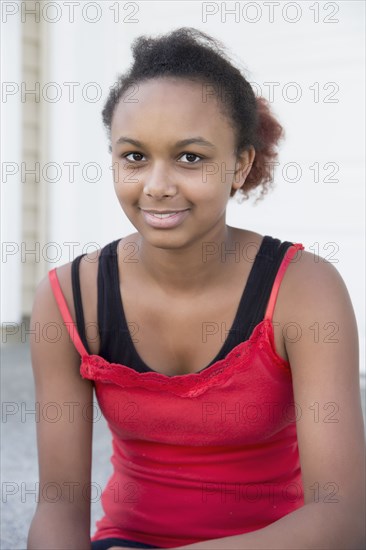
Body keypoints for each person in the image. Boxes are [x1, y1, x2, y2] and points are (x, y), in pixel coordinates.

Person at [27, 27, 365, 550]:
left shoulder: (303, 290)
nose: (158, 186)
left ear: (241, 164)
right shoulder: (70, 299)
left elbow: (341, 518)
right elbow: (57, 507)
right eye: (134, 156)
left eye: (191, 158)